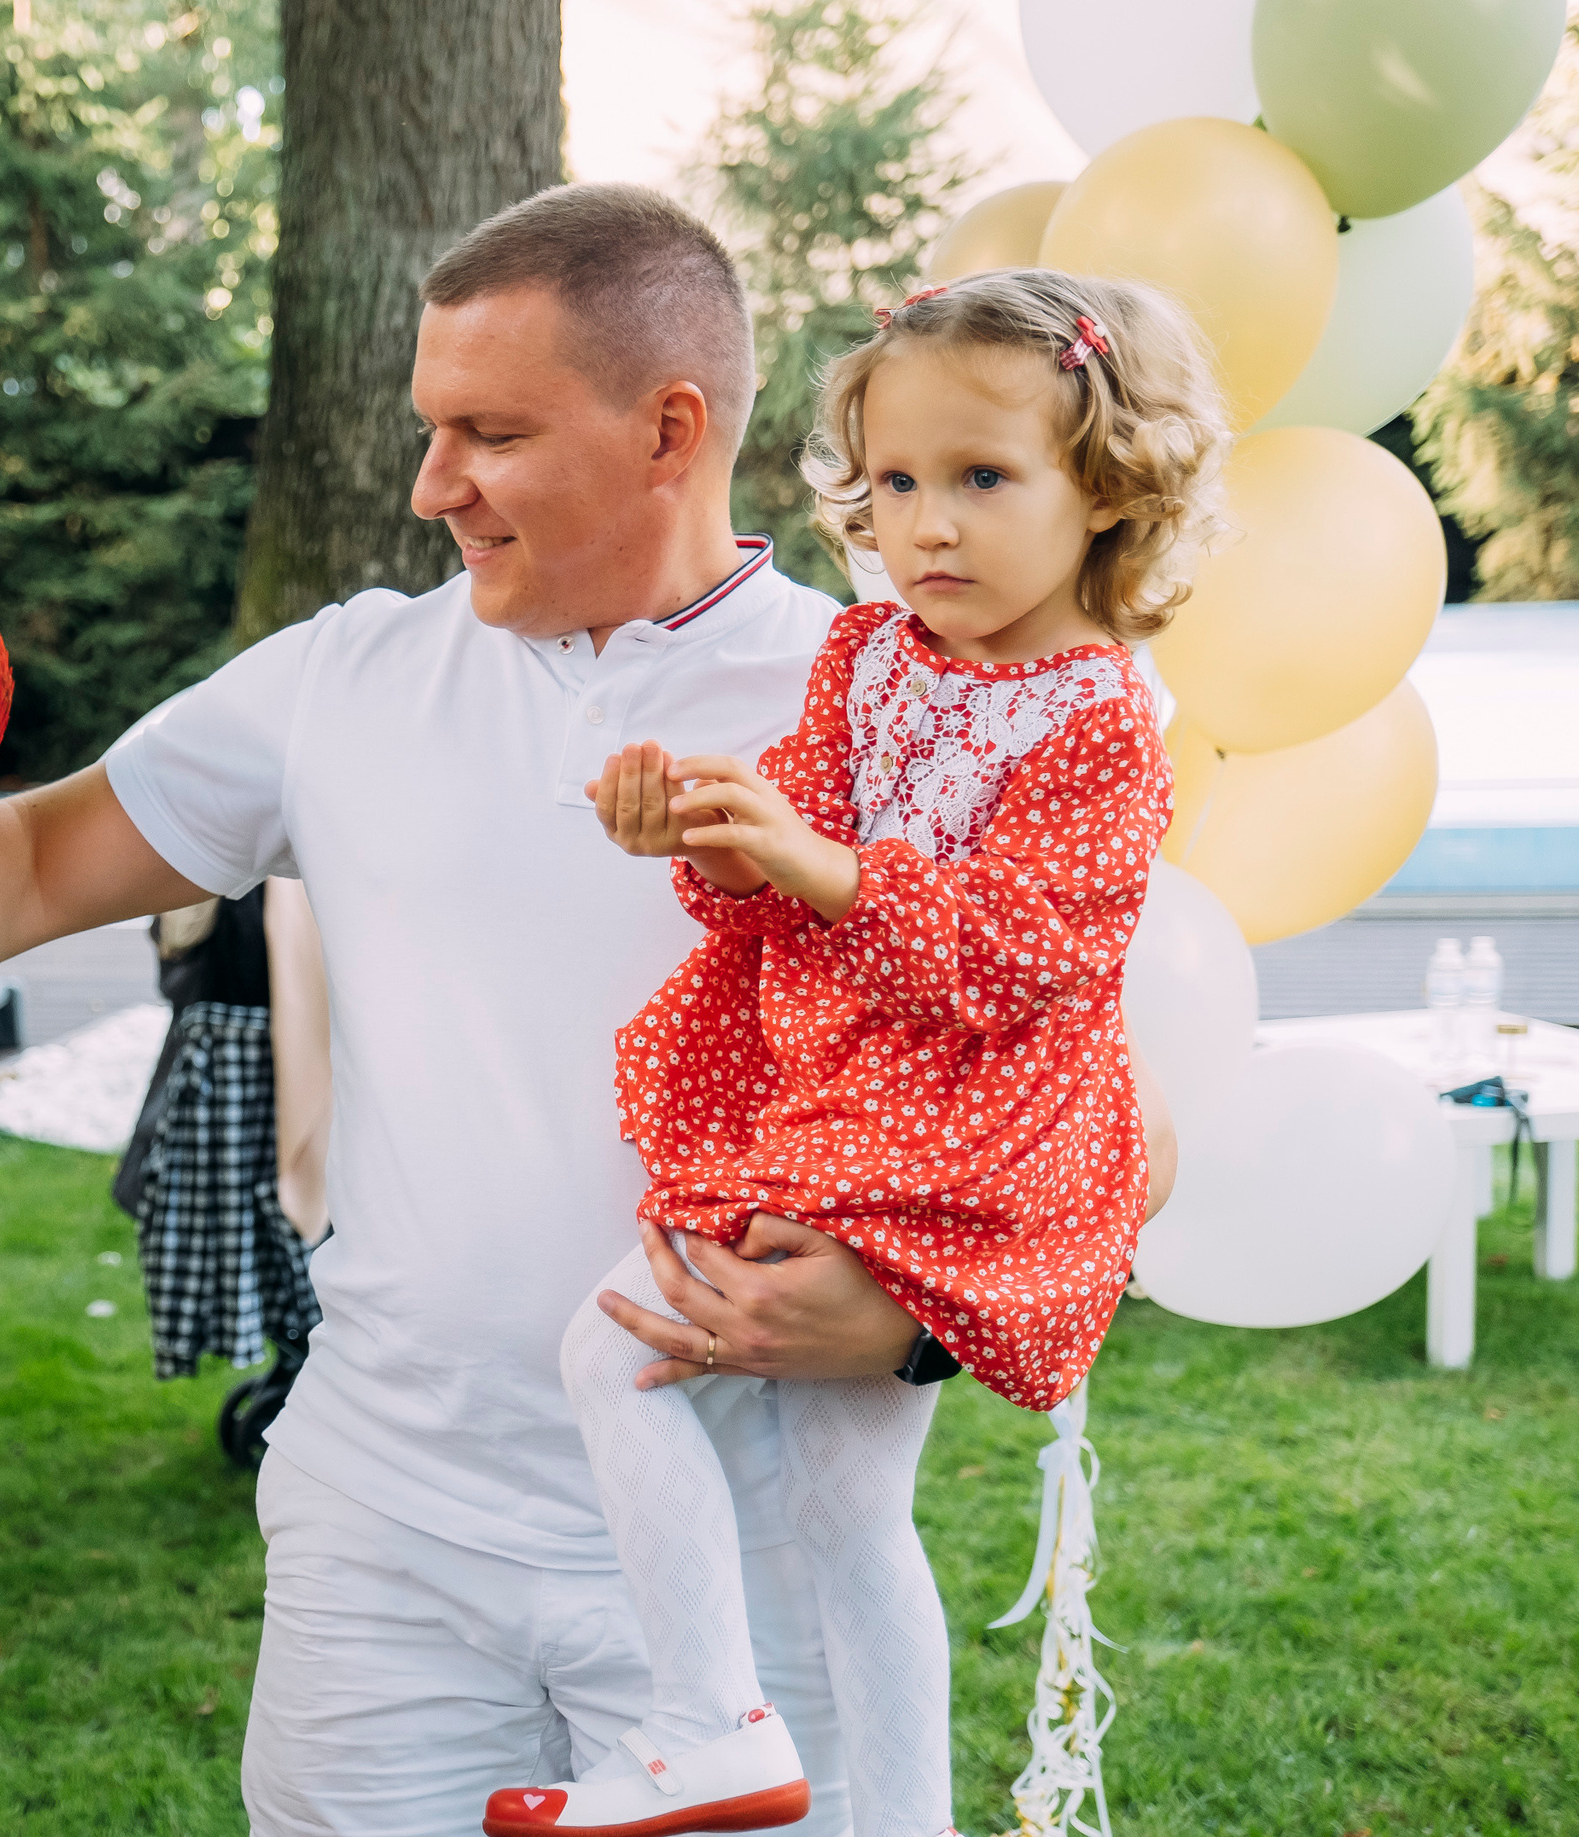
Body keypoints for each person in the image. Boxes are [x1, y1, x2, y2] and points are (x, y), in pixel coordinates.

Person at [0, 185, 1176, 1837]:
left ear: (669, 431)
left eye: (489, 433)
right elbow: (31, 855)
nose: (432, 482)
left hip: (744, 1574)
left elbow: (1120, 1116)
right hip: (384, 1536)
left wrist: (913, 1325)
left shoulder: (908, 697)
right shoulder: (344, 677)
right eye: (431, 427)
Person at [486, 271, 1227, 1837]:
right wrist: (716, 832)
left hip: (956, 1129)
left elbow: (1029, 952)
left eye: (982, 478)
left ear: (1106, 488)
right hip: (831, 1092)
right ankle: (900, 1814)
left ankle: (709, 1721)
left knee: (611, 1356)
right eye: (895, 482)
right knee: (843, 1507)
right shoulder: (869, 657)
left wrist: (817, 863)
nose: (927, 526)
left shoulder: (1102, 717)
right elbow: (790, 857)